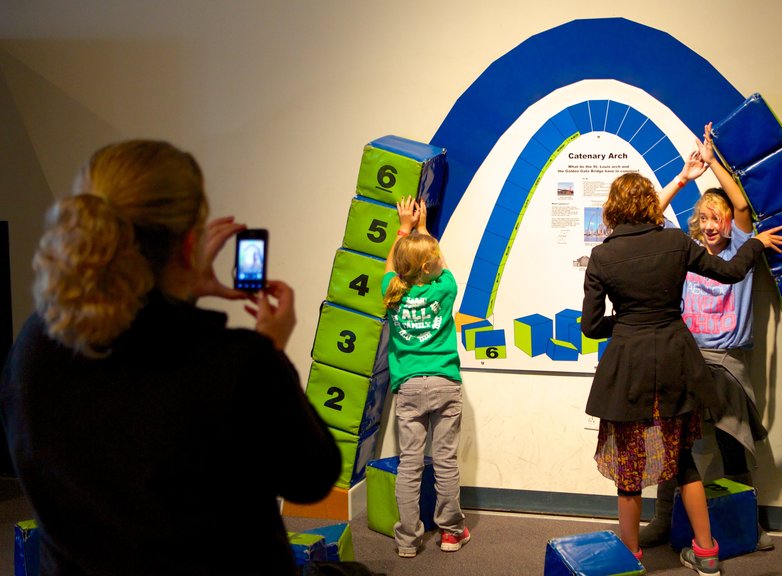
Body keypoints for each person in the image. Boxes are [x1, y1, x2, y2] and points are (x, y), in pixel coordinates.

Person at [0, 140, 341, 575]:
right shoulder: (237, 365)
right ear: (188, 247)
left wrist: (183, 293)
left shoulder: (33, 348)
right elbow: (311, 476)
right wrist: (272, 351)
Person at [580, 162, 782, 576]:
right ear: (648, 205)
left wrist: (622, 324)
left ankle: (630, 558)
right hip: (677, 362)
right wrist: (757, 244)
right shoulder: (676, 242)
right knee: (684, 462)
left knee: (630, 469)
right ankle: (707, 552)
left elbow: (590, 326)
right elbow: (731, 272)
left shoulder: (603, 256)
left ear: (613, 209)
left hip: (629, 369)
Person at [640, 122, 775, 551]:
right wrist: (685, 176)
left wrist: (713, 162)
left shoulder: (740, 251)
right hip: (689, 359)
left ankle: (744, 524)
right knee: (675, 443)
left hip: (728, 362)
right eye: (704, 217)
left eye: (717, 218)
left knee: (732, 444)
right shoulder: (686, 252)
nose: (711, 223)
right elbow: (646, 222)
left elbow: (740, 205)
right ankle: (663, 520)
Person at [381, 196, 469, 558]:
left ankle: (407, 540)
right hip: (445, 383)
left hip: (410, 388)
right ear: (430, 265)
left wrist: (404, 228)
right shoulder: (444, 288)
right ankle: (450, 533)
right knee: (445, 461)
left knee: (410, 464)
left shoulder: (390, 291)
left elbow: (392, 264)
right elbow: (439, 259)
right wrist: (424, 227)